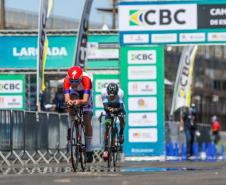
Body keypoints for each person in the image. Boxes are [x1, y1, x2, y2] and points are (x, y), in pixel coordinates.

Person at [64, 66, 94, 163]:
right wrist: (70, 102)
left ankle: (89, 149)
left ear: (80, 78)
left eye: (76, 81)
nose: (73, 83)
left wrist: (79, 102)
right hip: (75, 93)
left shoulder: (86, 80)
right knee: (70, 105)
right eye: (71, 81)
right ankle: (71, 124)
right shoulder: (66, 80)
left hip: (85, 93)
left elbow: (85, 101)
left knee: (87, 119)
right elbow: (67, 98)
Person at [101, 82, 126, 160]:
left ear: (117, 93)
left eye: (113, 95)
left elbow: (121, 107)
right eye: (110, 95)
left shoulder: (121, 94)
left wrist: (116, 110)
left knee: (122, 117)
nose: (111, 96)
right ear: (107, 93)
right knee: (107, 127)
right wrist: (109, 109)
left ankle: (121, 133)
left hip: (119, 108)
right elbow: (105, 107)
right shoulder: (104, 94)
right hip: (109, 109)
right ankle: (105, 149)